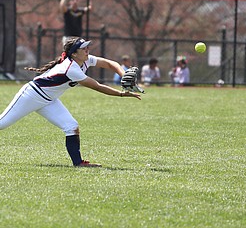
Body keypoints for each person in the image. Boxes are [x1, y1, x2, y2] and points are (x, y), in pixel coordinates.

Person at [0, 37, 141, 167]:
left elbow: (110, 64)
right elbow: (97, 86)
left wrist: (124, 75)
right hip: (32, 95)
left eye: (87, 47)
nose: (87, 50)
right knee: (2, 123)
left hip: (49, 100)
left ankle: (78, 163)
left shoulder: (85, 59)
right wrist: (122, 94)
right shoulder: (71, 68)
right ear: (74, 54)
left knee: (71, 126)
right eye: (84, 48)